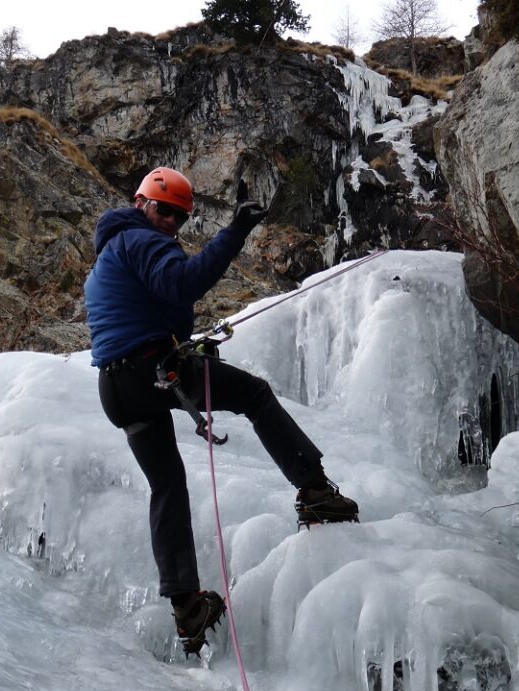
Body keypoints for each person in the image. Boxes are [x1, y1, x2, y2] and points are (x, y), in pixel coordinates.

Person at [84, 167, 358, 655]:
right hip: (152, 370)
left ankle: (187, 606)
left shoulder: (110, 253)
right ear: (140, 203)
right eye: (163, 210)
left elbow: (141, 312)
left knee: (166, 485)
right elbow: (185, 282)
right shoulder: (141, 242)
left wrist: (181, 344)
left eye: (178, 216)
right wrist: (236, 231)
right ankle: (314, 490)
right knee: (253, 394)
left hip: (118, 387)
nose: (170, 221)